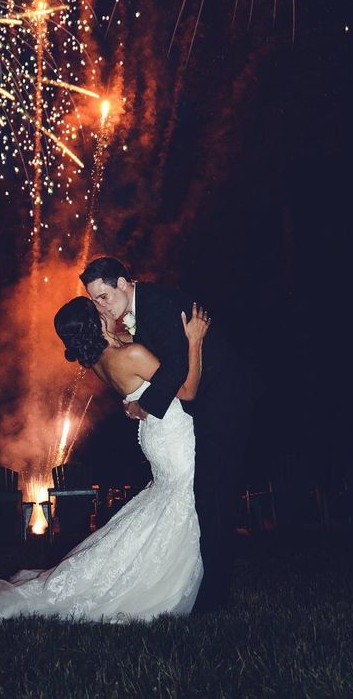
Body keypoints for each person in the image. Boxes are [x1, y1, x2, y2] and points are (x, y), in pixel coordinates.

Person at [0, 298, 210, 623]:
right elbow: (187, 391)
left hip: (155, 435)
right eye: (97, 308)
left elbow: (138, 348)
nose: (104, 309)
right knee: (181, 498)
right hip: (172, 437)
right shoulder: (130, 355)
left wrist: (138, 401)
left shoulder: (101, 359)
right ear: (95, 322)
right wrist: (195, 340)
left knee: (167, 501)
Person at [81, 255, 258, 612]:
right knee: (207, 497)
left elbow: (177, 368)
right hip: (205, 406)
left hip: (222, 402)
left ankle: (214, 600)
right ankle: (212, 594)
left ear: (123, 283)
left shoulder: (158, 305)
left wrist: (142, 406)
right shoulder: (140, 308)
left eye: (103, 296)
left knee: (211, 497)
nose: (100, 305)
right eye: (94, 299)